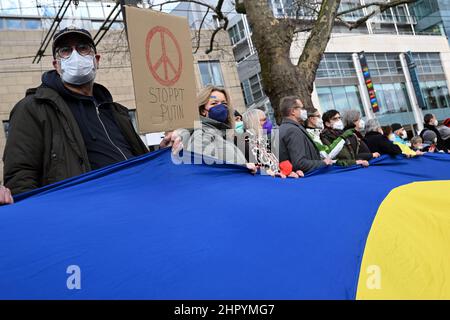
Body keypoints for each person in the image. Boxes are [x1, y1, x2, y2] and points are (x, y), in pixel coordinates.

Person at [2, 27, 148, 198]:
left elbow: (140, 157)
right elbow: (20, 178)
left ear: (96, 60)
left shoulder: (115, 111)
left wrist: (163, 152)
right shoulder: (33, 108)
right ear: (56, 65)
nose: (75, 55)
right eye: (65, 51)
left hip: (139, 199)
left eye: (82, 48)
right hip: (89, 211)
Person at [242, 108, 302, 178]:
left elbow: (272, 164)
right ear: (254, 122)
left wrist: (288, 172)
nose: (267, 122)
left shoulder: (261, 140)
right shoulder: (244, 142)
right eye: (263, 120)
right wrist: (270, 173)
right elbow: (254, 169)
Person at [279, 96, 333, 173]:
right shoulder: (293, 130)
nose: (304, 111)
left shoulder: (281, 129)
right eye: (301, 108)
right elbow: (300, 163)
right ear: (293, 111)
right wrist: (323, 163)